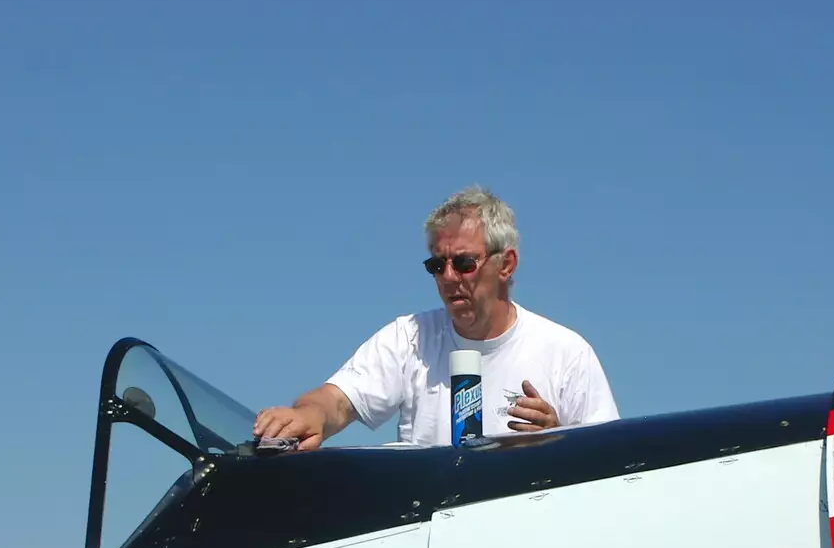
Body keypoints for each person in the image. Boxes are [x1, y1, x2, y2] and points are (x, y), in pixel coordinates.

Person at [253, 186, 619, 450]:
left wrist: (558, 442)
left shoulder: (566, 353)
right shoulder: (408, 339)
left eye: (463, 263)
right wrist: (307, 416)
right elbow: (337, 401)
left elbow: (608, 465)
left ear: (505, 265)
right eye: (436, 265)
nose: (447, 277)